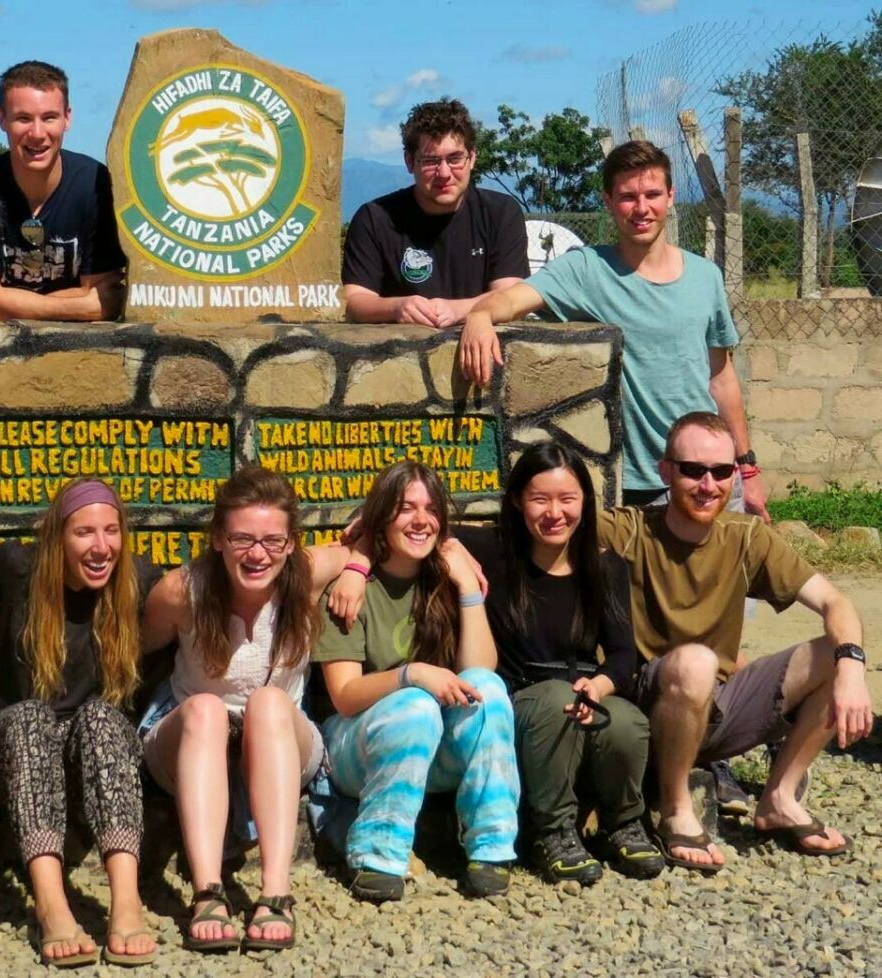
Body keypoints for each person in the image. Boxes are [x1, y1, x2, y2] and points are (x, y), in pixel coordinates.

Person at [601, 411, 870, 874]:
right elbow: (543, 531)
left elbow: (835, 602)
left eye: (722, 472)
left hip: (719, 707)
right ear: (665, 471)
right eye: (692, 470)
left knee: (834, 651)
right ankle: (676, 808)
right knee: (696, 663)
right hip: (649, 707)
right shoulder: (628, 530)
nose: (708, 485)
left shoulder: (746, 537)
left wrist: (852, 670)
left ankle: (780, 797)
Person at [457, 140, 770, 520]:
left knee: (721, 578)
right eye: (627, 197)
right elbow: (510, 299)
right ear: (608, 201)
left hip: (708, 474)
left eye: (652, 194)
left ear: (671, 197)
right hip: (635, 482)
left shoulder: (706, 278)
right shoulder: (586, 270)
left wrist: (746, 467)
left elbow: (721, 379)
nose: (642, 209)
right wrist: (479, 317)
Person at [139, 465, 361, 953]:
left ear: (289, 543)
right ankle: (207, 892)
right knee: (205, 710)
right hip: (192, 740)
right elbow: (133, 653)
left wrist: (357, 572)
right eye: (242, 538)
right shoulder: (182, 592)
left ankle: (275, 893)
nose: (257, 553)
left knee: (268, 702)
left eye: (271, 540)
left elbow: (364, 543)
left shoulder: (303, 576)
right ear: (218, 538)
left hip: (279, 738)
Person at [0, 480, 161, 967]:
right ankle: (51, 906)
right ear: (57, 537)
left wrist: (353, 561)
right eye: (84, 533)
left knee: (103, 716)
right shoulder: (15, 569)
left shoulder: (137, 579)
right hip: (10, 745)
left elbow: (210, 579)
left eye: (111, 531)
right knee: (31, 717)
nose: (101, 547)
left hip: (89, 756)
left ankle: (126, 903)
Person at [455, 443, 663, 886]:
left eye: (567, 499)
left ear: (585, 503)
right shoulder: (494, 551)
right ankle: (551, 832)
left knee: (626, 721)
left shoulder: (605, 568)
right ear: (516, 501)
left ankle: (622, 822)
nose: (555, 513)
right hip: (519, 697)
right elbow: (418, 530)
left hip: (583, 690)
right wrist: (357, 564)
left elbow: (624, 652)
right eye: (539, 499)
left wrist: (601, 686)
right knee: (553, 701)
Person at [313, 460, 519, 902]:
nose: (420, 520)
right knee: (417, 705)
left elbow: (479, 672)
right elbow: (345, 697)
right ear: (380, 517)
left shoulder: (443, 579)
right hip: (354, 749)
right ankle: (377, 853)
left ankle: (491, 847)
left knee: (492, 693)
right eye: (406, 508)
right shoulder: (349, 590)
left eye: (430, 509)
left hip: (428, 747)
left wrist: (465, 583)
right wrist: (413, 674)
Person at [0, 59, 126, 321]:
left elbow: (107, 299)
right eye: (23, 119)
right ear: (1, 119)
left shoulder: (96, 182)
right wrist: (78, 305)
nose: (37, 133)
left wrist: (8, 300)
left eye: (49, 117)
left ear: (67, 118)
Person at [342, 97, 527, 327]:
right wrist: (398, 307)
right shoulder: (374, 218)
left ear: (472, 158)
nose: (444, 172)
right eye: (430, 161)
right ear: (410, 162)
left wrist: (457, 309)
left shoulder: (501, 214)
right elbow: (353, 301)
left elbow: (512, 296)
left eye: (455, 158)